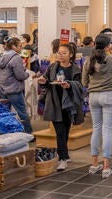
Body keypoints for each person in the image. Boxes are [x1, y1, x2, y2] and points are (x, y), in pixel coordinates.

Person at [82, 34, 112, 178]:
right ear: (108, 46)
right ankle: (106, 166)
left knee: (96, 129)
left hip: (93, 96)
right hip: (109, 96)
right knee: (107, 130)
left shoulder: (89, 60)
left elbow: (84, 82)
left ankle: (94, 164)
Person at [37, 43, 84, 171]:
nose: (60, 55)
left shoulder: (76, 69)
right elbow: (46, 81)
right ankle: (62, 159)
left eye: (64, 53)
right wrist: (43, 82)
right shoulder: (52, 67)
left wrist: (69, 85)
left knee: (66, 130)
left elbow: (80, 86)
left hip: (69, 106)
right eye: (59, 53)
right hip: (54, 103)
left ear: (71, 55)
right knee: (60, 132)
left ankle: (65, 154)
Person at [0, 37, 33, 133]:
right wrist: (28, 74)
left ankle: (5, 133)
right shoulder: (16, 58)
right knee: (22, 112)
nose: (21, 48)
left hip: (2, 89)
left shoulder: (0, 56)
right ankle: (29, 133)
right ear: (13, 46)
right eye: (19, 46)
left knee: (4, 113)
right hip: (14, 90)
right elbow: (20, 76)